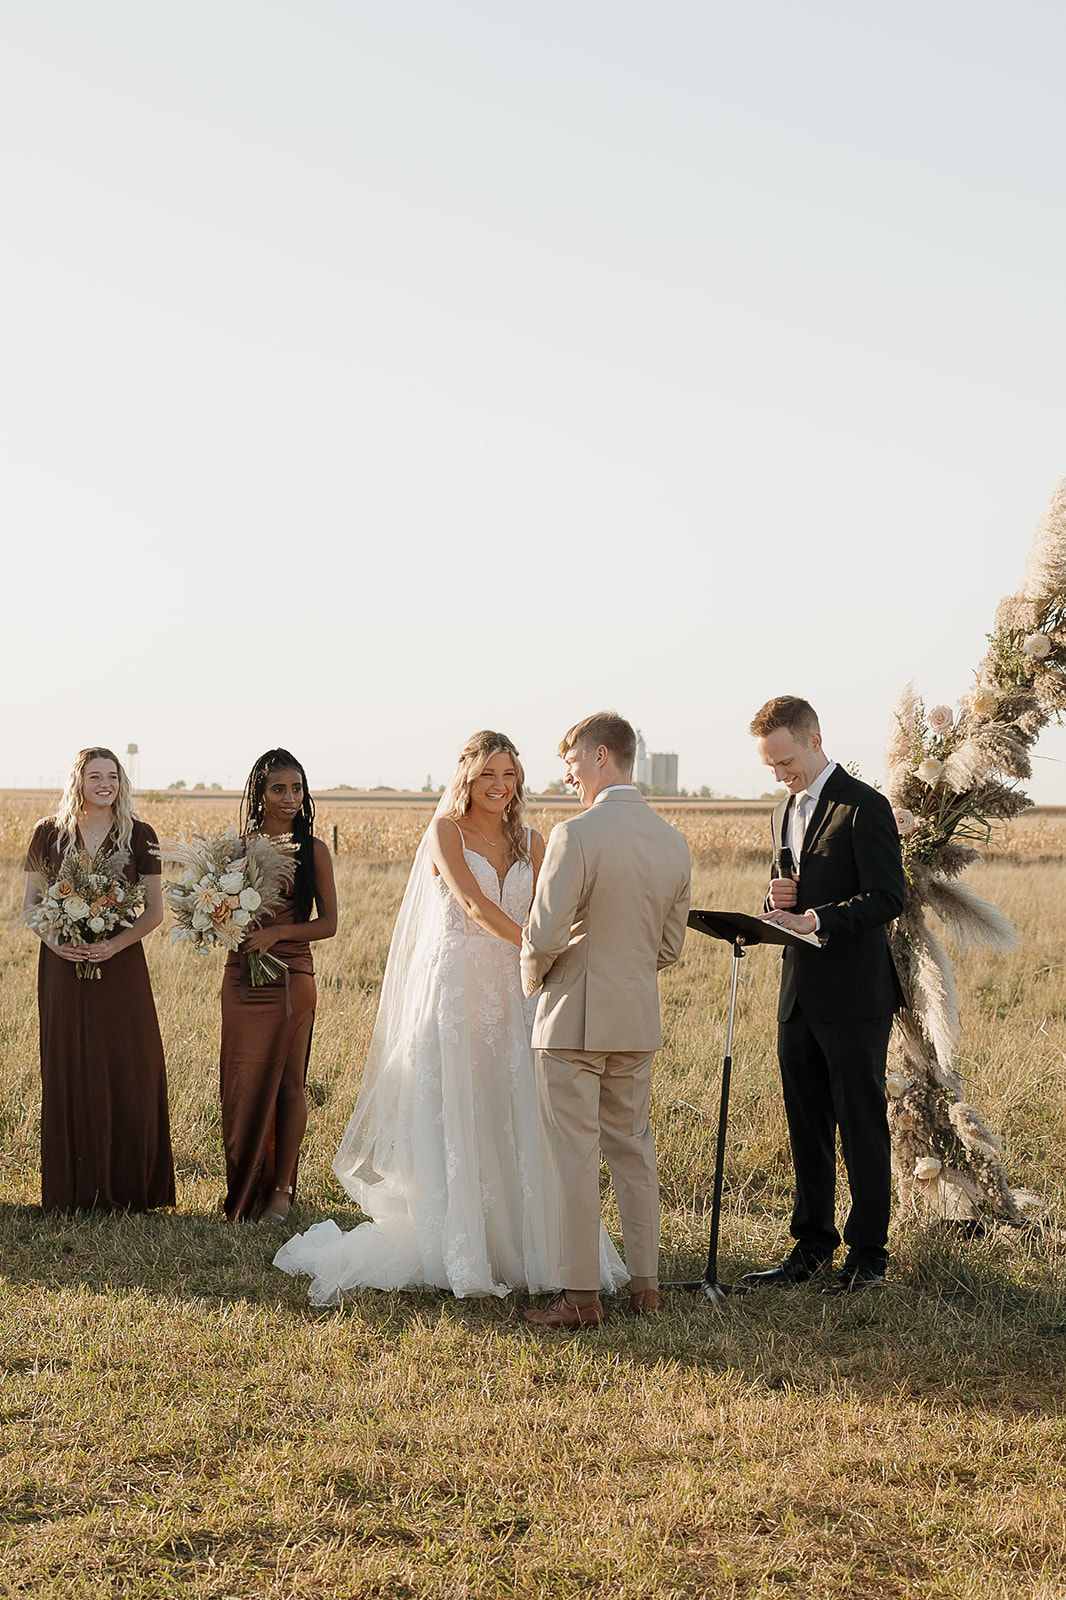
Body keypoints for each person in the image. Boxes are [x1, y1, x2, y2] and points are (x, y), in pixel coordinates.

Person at [274, 730, 628, 1303]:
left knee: (516, 1105)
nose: (500, 786)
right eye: (489, 774)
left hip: (517, 992)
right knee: (462, 1105)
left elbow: (560, 906)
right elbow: (471, 904)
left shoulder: (535, 842)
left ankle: (528, 1243)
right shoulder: (445, 832)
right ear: (468, 776)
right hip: (460, 989)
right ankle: (461, 1242)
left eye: (509, 775)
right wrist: (537, 948)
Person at [520, 712, 691, 1329]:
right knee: (633, 1151)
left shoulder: (576, 835)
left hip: (572, 1018)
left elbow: (542, 933)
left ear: (599, 757)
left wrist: (534, 981)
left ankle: (581, 1297)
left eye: (570, 763)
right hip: (636, 1018)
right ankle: (646, 1288)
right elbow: (669, 949)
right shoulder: (673, 840)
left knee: (573, 1154)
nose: (566, 777)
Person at [746, 695, 905, 1295]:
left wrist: (818, 920)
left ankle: (868, 1256)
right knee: (805, 1124)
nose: (781, 775)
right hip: (798, 995)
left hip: (856, 996)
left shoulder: (865, 807)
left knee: (860, 1125)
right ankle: (810, 1248)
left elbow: (889, 897)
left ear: (814, 739)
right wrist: (777, 905)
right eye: (771, 767)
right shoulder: (783, 810)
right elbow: (789, 891)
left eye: (786, 762)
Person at [23, 747, 175, 1213]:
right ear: (79, 781)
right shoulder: (47, 835)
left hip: (122, 965)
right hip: (62, 966)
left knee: (129, 1063)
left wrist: (114, 944)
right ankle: (73, 1190)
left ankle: (130, 1188)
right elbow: (31, 905)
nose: (105, 783)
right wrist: (55, 942)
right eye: (95, 776)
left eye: (112, 775)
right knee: (69, 1061)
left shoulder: (141, 835)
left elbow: (154, 912)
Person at [220, 749, 337, 1222]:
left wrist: (276, 933)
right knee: (241, 1081)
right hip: (240, 976)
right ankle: (243, 1190)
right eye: (279, 789)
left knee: (290, 1084)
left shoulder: (314, 850)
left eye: (297, 789)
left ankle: (282, 1192)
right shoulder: (235, 849)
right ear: (260, 794)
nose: (290, 798)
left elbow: (328, 924)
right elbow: (218, 913)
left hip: (291, 974)